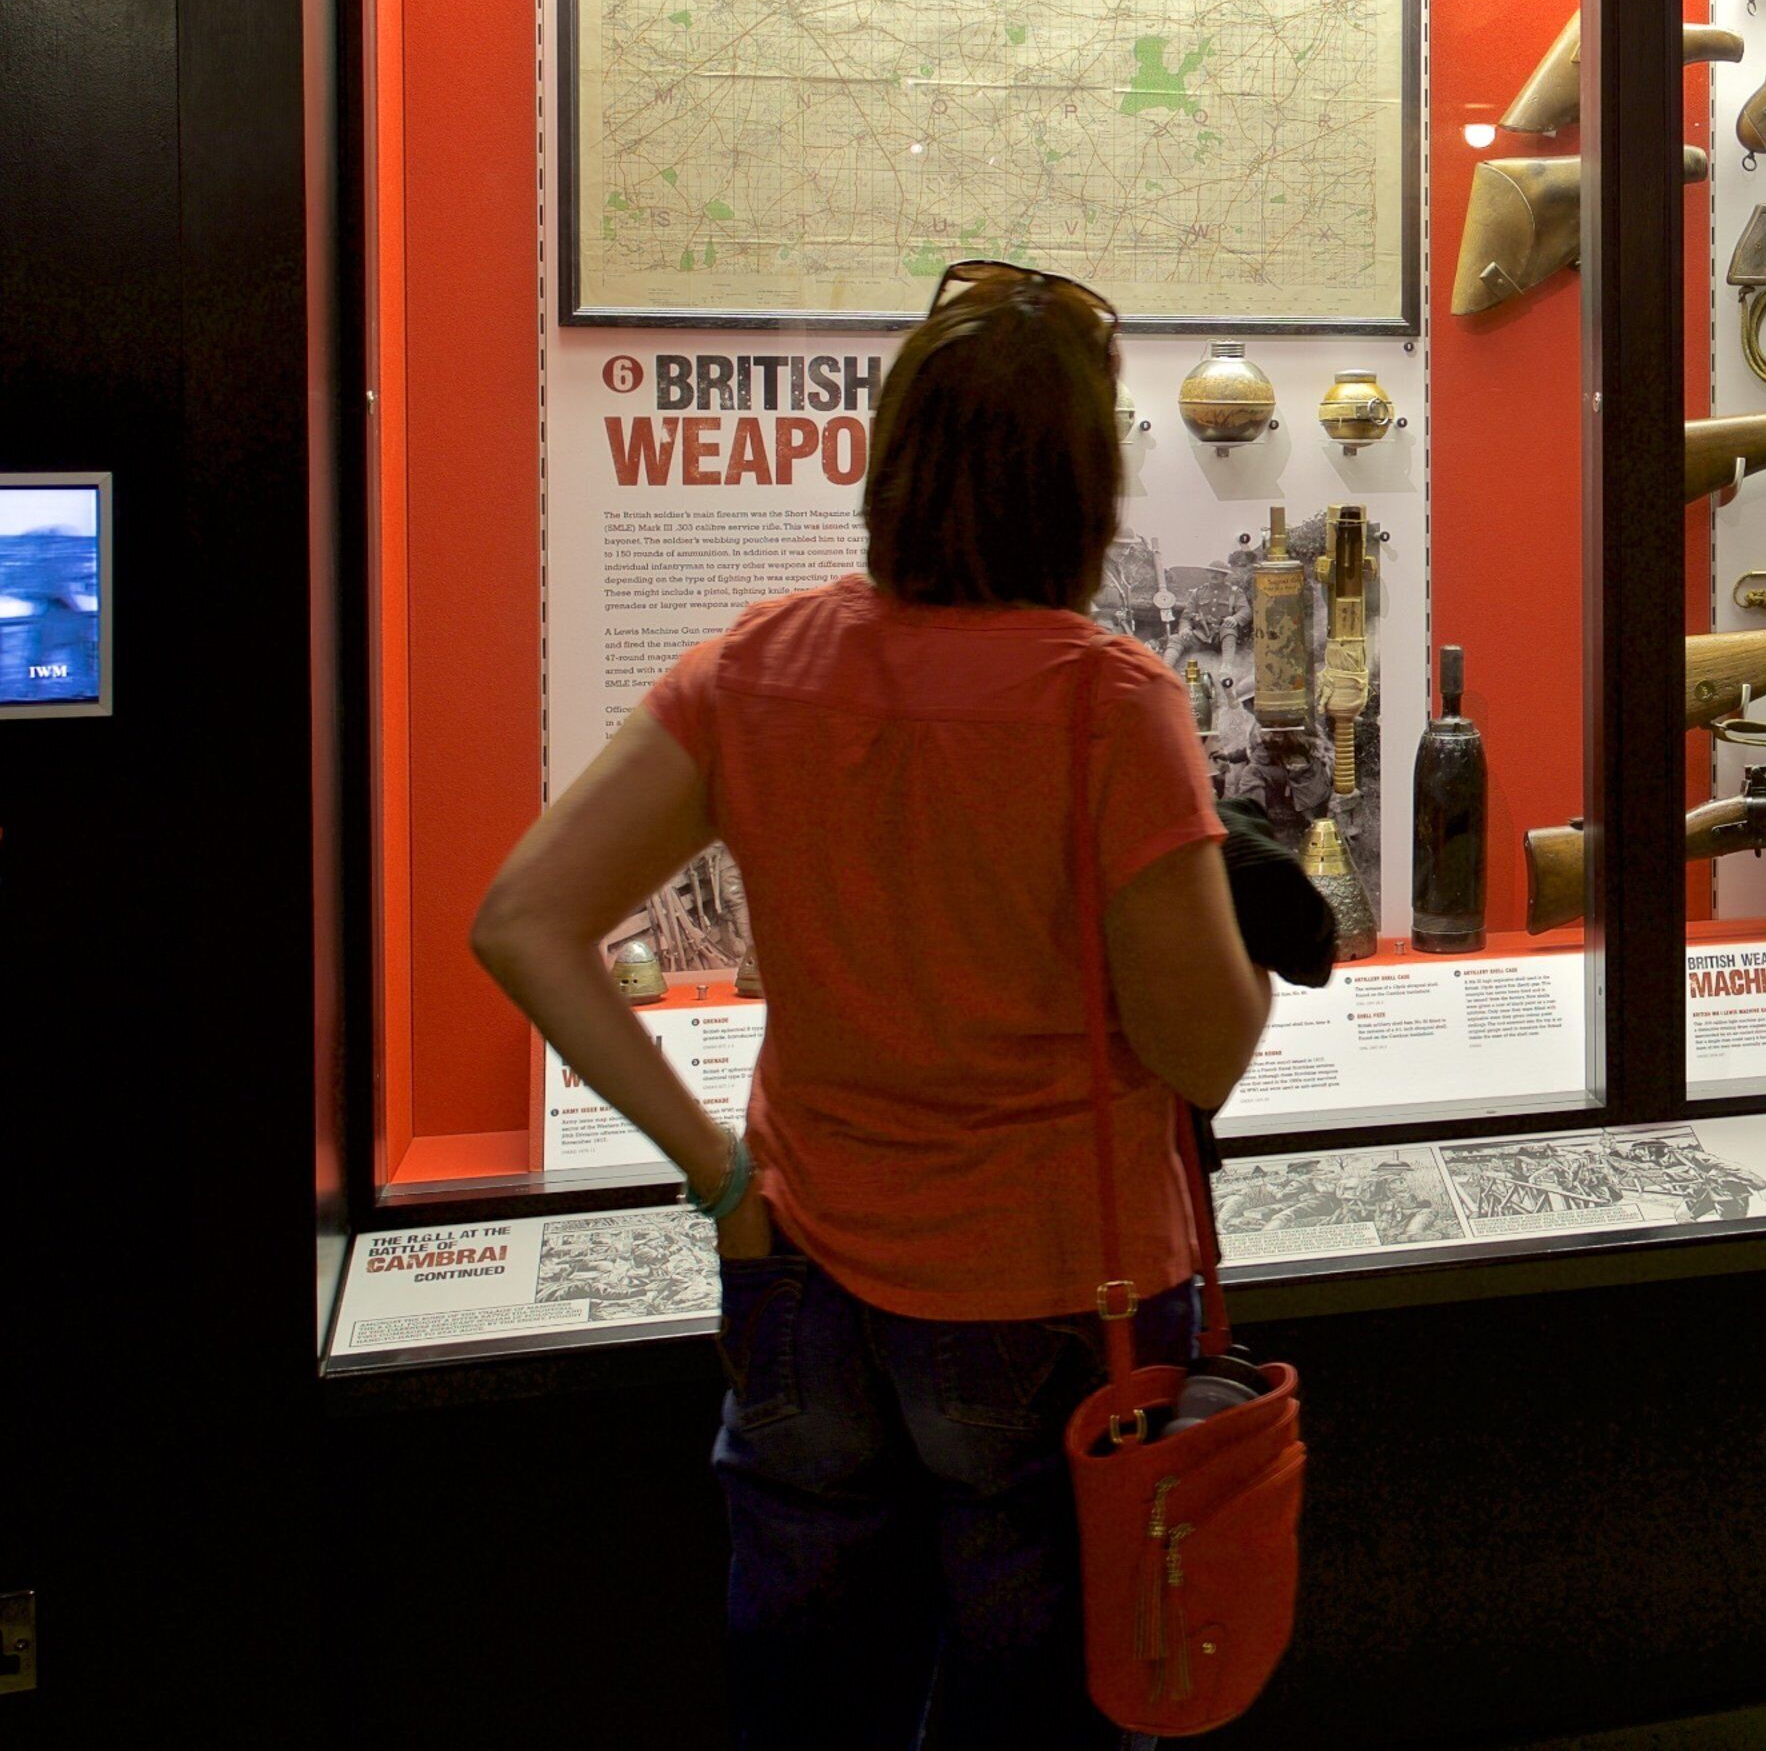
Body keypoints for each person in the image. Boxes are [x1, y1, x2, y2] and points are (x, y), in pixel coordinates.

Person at [470, 262, 1327, 1750]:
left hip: (798, 1272)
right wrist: (1244, 906)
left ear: (897, 458)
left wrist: (719, 1173)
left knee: (807, 1694)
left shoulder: (757, 666)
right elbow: (1206, 1050)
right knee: (1028, 1706)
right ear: (1085, 486)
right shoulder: (1109, 702)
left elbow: (524, 923)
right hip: (1061, 1306)